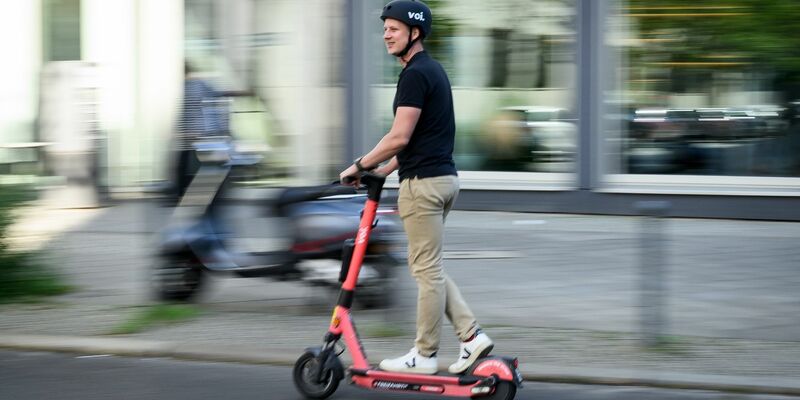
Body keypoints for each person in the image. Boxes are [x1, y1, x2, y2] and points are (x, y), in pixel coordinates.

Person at [339, 0, 493, 375]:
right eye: (385, 29)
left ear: (415, 33)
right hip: (443, 179)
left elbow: (398, 136)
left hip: (423, 186)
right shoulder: (434, 71)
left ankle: (424, 354)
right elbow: (416, 141)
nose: (386, 35)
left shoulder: (413, 74)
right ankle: (472, 337)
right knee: (430, 268)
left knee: (426, 270)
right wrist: (383, 171)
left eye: (393, 28)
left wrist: (359, 164)